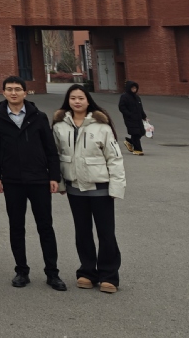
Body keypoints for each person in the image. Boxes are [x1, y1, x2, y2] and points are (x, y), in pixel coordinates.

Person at [0, 75, 67, 291]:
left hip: (39, 179)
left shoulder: (38, 117)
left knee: (45, 226)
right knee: (16, 226)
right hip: (12, 180)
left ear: (25, 92)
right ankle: (21, 271)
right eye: (9, 89)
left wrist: (54, 177)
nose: (13, 93)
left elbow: (50, 149)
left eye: (17, 89)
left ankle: (52, 273)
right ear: (3, 93)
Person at [53, 84, 126, 293]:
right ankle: (87, 272)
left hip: (100, 188)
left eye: (81, 98)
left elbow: (114, 158)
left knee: (106, 233)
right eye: (73, 98)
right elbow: (56, 156)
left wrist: (116, 187)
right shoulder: (59, 126)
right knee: (82, 232)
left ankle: (109, 275)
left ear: (88, 101)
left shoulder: (102, 126)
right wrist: (60, 183)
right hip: (75, 188)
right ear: (68, 101)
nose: (77, 101)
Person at [118, 81, 149, 156]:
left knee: (141, 132)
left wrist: (144, 116)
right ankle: (137, 150)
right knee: (135, 133)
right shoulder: (124, 96)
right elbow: (121, 107)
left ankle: (130, 141)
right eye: (132, 88)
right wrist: (129, 114)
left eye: (135, 88)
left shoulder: (137, 97)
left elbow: (140, 108)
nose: (134, 89)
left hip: (138, 118)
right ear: (129, 88)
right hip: (130, 119)